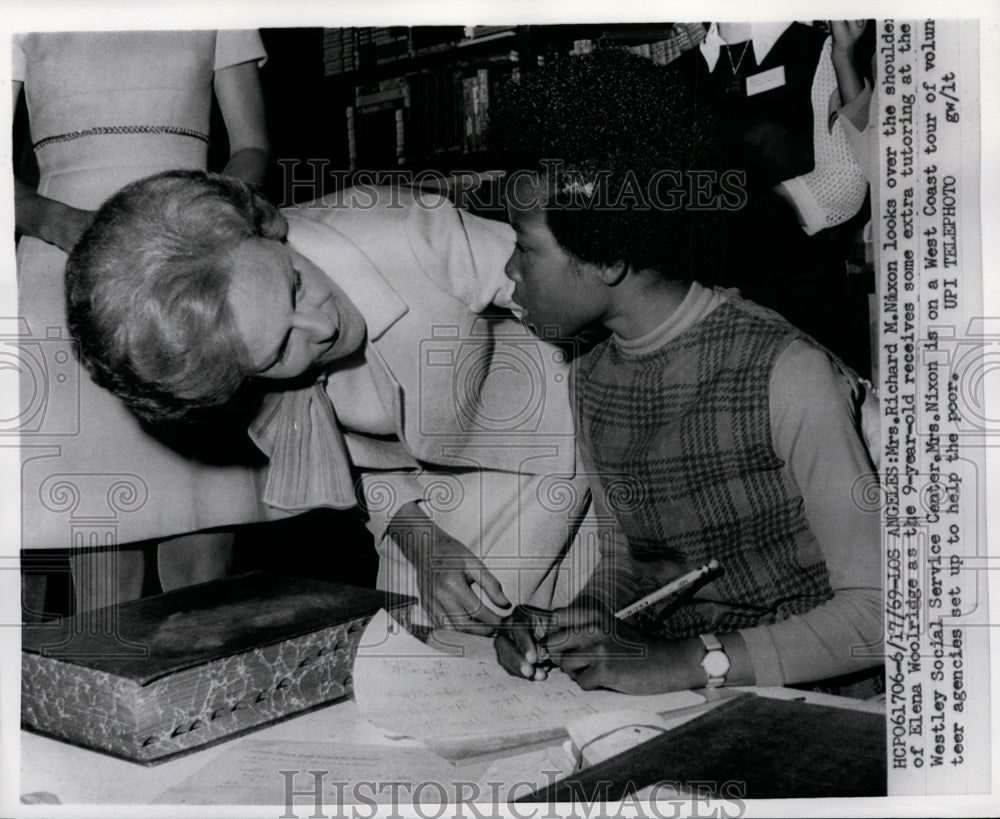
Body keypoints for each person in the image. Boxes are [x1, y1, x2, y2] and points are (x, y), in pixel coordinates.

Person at [490, 49, 883, 693]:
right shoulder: (590, 375)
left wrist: (687, 661)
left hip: (825, 700)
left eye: (524, 246)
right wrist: (585, 618)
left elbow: (879, 616)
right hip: (691, 694)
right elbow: (632, 555)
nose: (509, 270)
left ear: (609, 258)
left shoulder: (787, 372)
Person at [65, 170, 589, 634]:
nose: (323, 325)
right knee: (407, 657)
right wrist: (424, 546)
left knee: (515, 648)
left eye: (295, 286)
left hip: (568, 437)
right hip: (431, 496)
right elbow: (362, 468)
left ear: (266, 227)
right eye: (280, 349)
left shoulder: (403, 233)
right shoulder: (239, 366)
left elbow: (590, 296)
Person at [13, 31, 270, 614]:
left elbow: (251, 146)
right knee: (97, 536)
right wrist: (58, 223)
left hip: (189, 260)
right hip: (65, 264)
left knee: (204, 531)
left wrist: (199, 219)